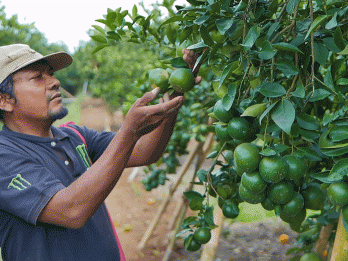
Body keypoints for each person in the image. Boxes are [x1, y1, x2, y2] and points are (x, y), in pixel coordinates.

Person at [0, 43, 202, 260]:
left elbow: (145, 152)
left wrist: (174, 95)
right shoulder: (5, 155)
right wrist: (129, 132)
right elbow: (71, 211)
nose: (55, 82)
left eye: (51, 74)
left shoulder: (75, 136)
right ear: (4, 100)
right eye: (38, 77)